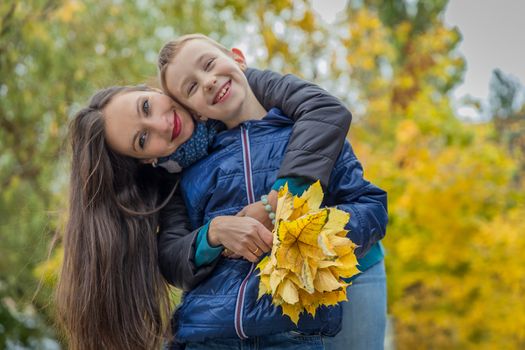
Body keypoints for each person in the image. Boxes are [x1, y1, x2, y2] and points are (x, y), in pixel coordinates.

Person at [57, 54, 356, 348]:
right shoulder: (173, 180)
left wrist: (280, 206)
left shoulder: (264, 109)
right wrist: (212, 233)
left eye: (146, 106)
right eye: (143, 139)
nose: (161, 125)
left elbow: (327, 119)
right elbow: (172, 255)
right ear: (147, 159)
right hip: (209, 334)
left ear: (151, 90)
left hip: (296, 320)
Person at [155, 34, 388, 349]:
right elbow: (174, 256)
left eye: (209, 64)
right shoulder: (193, 171)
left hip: (303, 323)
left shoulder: (308, 135)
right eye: (191, 88)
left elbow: (372, 207)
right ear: (195, 112)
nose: (207, 82)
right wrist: (213, 238)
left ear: (238, 58)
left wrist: (315, 234)